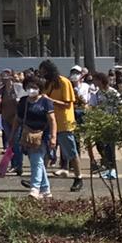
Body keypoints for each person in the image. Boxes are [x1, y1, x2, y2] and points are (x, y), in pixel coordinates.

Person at [40, 59, 80, 190]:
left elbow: (68, 104)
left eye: (44, 72)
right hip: (50, 123)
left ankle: (78, 177)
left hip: (64, 123)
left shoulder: (64, 82)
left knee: (71, 152)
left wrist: (50, 100)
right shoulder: (47, 84)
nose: (43, 75)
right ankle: (39, 179)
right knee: (45, 152)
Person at [19, 74, 57, 199]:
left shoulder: (46, 101)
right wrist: (13, 135)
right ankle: (45, 190)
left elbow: (52, 120)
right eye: (29, 87)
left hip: (43, 135)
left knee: (37, 161)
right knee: (37, 162)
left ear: (39, 88)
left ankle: (34, 188)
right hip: (28, 135)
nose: (31, 89)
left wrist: (53, 137)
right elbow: (18, 119)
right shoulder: (23, 101)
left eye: (34, 87)